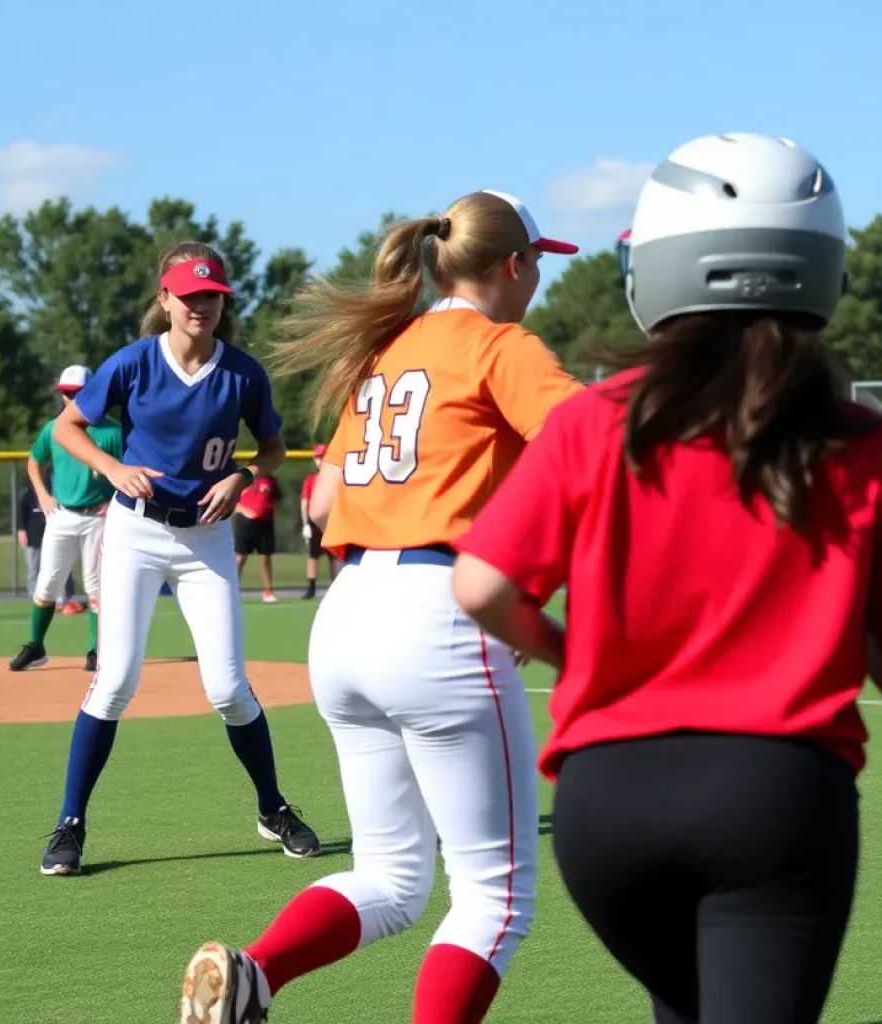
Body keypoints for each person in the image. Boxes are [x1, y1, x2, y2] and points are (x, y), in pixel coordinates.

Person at [451, 134, 882, 1024]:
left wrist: (575, 653)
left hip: (606, 806)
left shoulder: (593, 421)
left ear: (656, 268)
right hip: (777, 799)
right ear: (822, 269)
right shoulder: (867, 445)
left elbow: (480, 586)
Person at [178, 190, 583, 1024]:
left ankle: (255, 974)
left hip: (350, 613)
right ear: (512, 263)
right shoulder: (499, 345)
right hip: (439, 614)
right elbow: (591, 451)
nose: (540, 277)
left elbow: (324, 501)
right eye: (539, 260)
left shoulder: (386, 348)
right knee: (494, 900)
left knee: (393, 878)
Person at [37, 241, 320, 877]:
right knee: (115, 681)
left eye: (211, 296)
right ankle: (70, 824)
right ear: (164, 299)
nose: (201, 306)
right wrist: (114, 467)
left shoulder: (242, 373)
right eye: (189, 296)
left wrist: (244, 475)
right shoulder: (134, 363)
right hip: (136, 534)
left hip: (207, 538)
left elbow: (273, 447)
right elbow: (65, 428)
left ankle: (272, 807)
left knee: (226, 686)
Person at [10, 366, 122, 673]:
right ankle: (36, 646)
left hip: (98, 518)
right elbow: (34, 462)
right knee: (47, 584)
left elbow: (130, 471)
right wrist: (44, 496)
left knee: (96, 586)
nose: (68, 398)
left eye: (75, 393)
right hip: (62, 515)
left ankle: (96, 650)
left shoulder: (112, 432)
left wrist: (115, 501)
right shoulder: (54, 429)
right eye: (65, 393)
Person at [16, 478, 80, 611]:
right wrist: (21, 531)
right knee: (34, 569)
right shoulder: (28, 496)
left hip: (52, 537)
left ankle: (63, 600)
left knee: (59, 568)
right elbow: (21, 515)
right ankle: (35, 599)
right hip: (33, 539)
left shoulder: (56, 493)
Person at [232, 472, 282, 602]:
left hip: (265, 523)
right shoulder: (243, 478)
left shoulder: (271, 480)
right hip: (244, 522)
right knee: (241, 557)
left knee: (265, 556)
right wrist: (244, 511)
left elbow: (277, 500)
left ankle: (268, 591)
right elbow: (233, 500)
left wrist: (272, 511)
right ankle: (233, 589)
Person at [299, 444, 337, 599]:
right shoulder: (310, 479)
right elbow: (305, 502)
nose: (319, 461)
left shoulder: (334, 479)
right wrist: (305, 524)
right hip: (314, 521)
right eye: (317, 457)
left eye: (322, 457)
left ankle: (335, 586)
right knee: (312, 555)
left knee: (333, 556)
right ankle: (311, 586)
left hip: (331, 520)